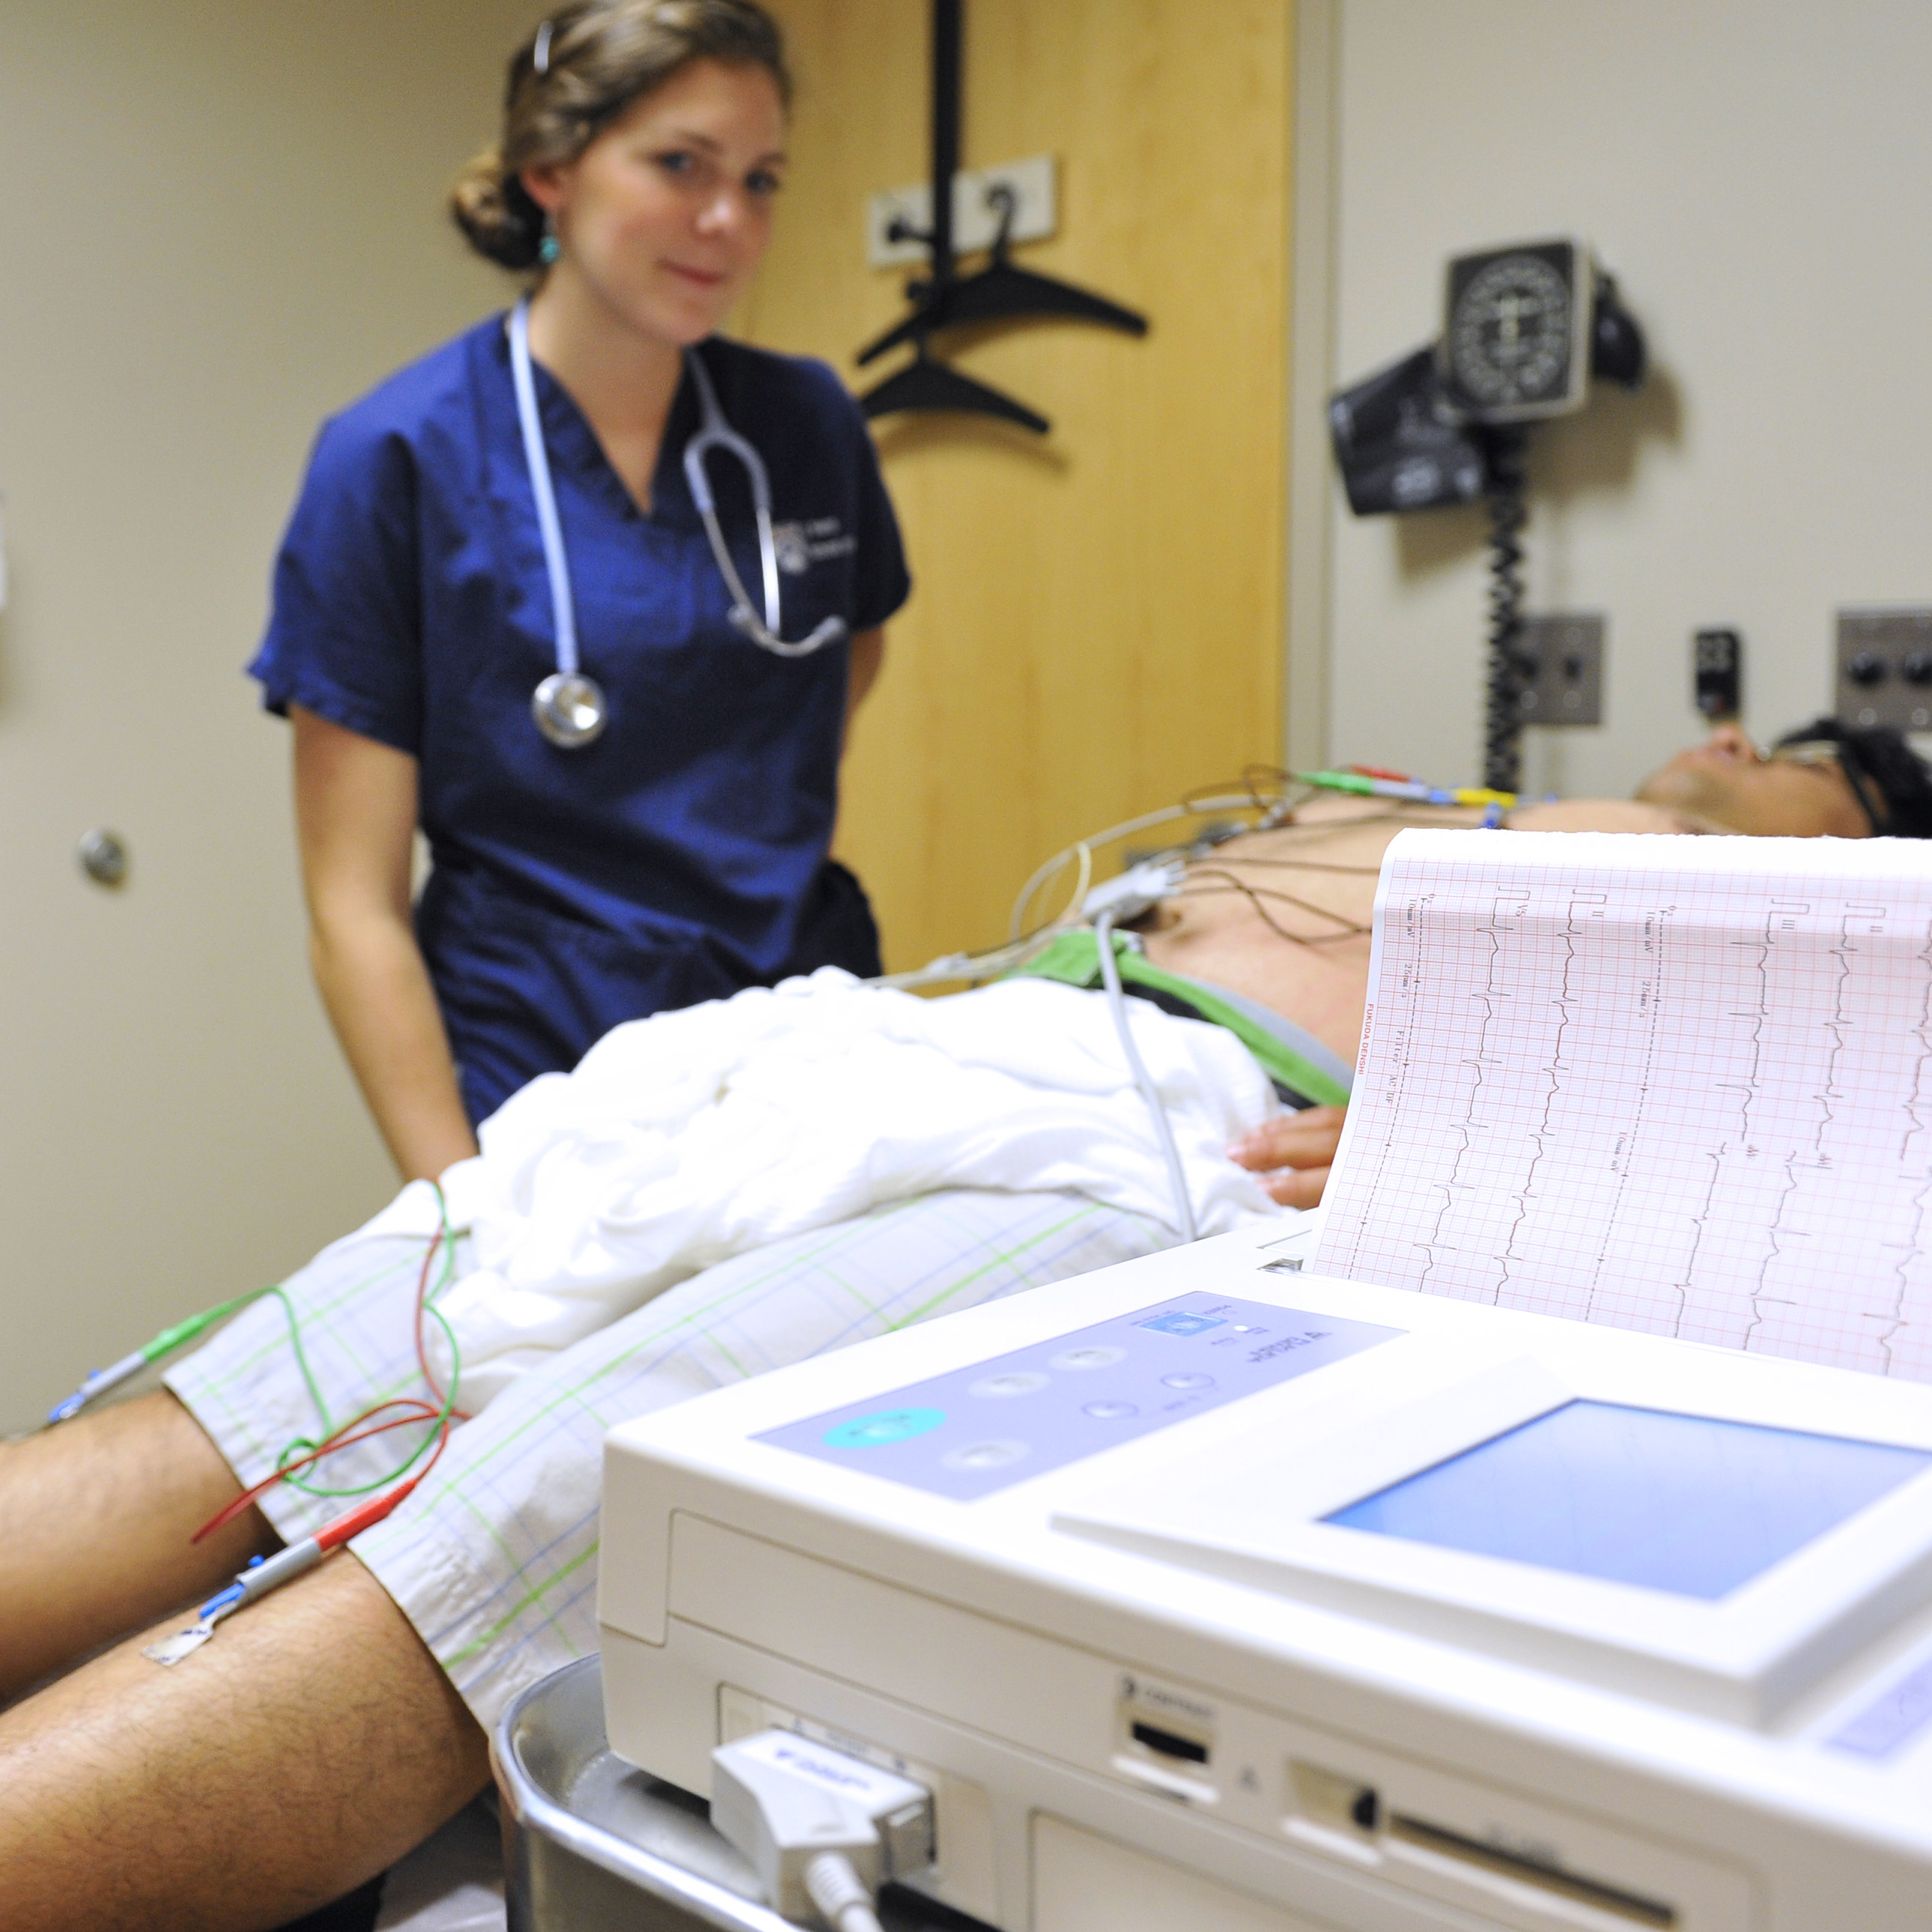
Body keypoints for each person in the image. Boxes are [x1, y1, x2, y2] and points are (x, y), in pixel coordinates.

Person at [4, 717, 1928, 1931]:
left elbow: (1755, 1149)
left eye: (1815, 781)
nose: (1743, 751)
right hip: (908, 1042)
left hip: (1153, 1155)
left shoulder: (1776, 900)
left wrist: (1476, 1156)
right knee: (298, 1378)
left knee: (485, 1545)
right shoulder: (1457, 790)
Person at [263, 0, 907, 1183]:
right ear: (551, 168)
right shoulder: (394, 460)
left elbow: (843, 653)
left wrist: (724, 815)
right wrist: (457, 1212)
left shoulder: (806, 423)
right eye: (680, 165)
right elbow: (353, 908)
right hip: (543, 1064)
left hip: (802, 1031)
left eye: (762, 180)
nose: (729, 221)